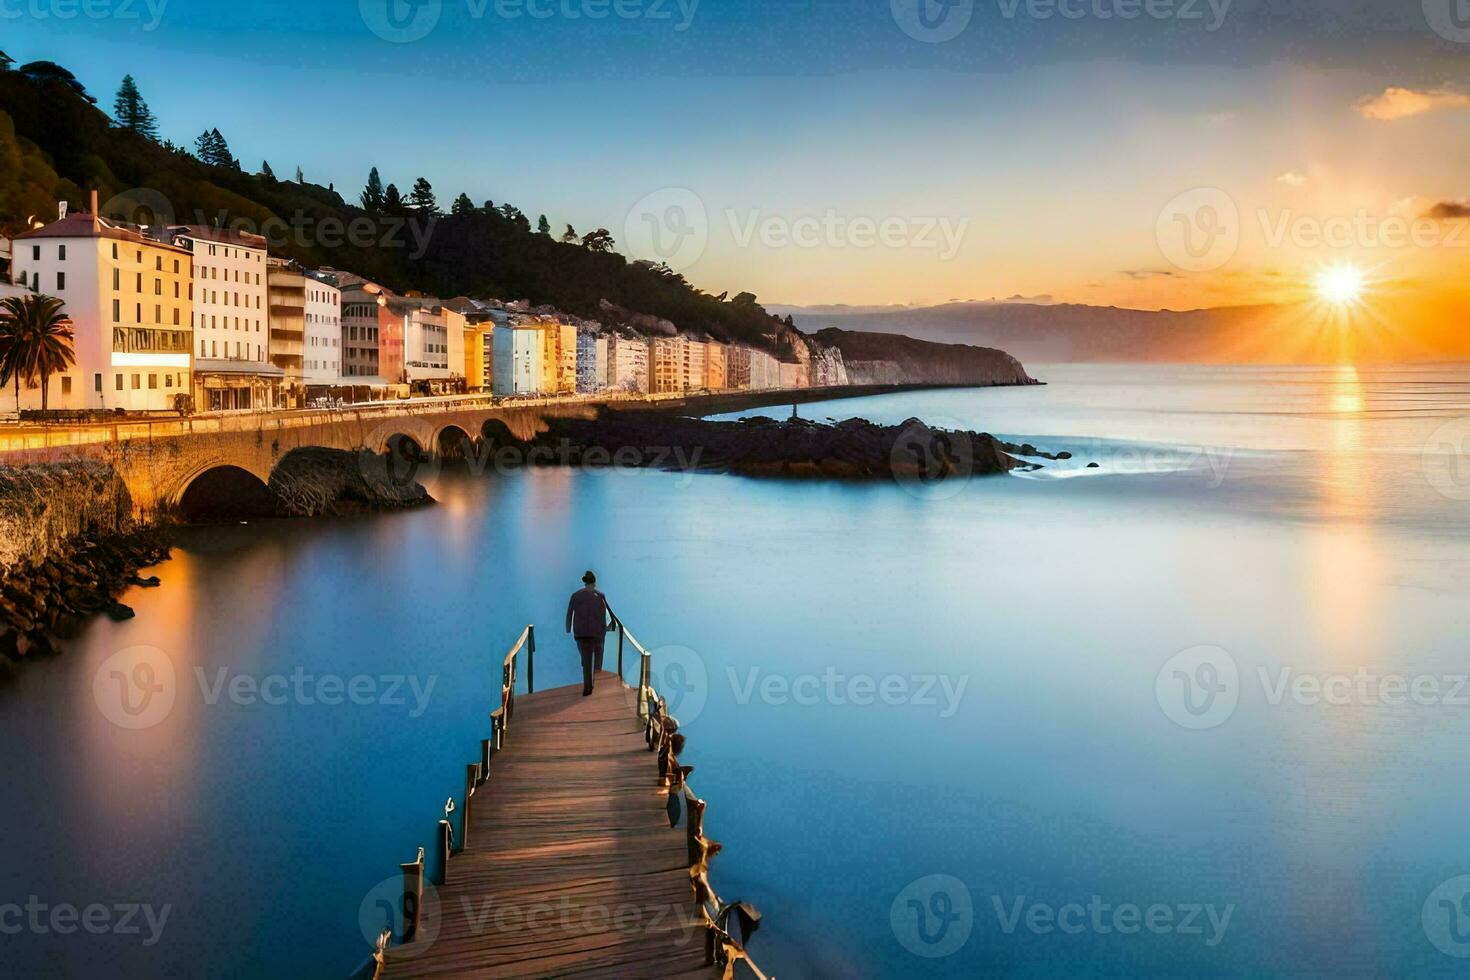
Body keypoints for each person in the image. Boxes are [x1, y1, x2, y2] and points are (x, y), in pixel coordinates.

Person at [565, 570, 615, 696]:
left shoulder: (575, 595)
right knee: (598, 658)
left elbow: (569, 613)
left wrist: (568, 628)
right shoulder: (600, 595)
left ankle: (588, 687)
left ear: (585, 583)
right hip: (597, 633)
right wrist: (608, 627)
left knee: (586, 659)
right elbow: (605, 613)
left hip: (581, 633)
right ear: (594, 583)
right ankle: (596, 681)